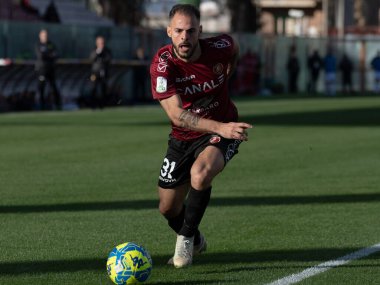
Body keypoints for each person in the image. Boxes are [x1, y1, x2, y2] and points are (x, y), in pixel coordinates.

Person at [150, 4, 252, 268]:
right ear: (169, 32)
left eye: (191, 31)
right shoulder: (163, 66)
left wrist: (230, 71)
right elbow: (175, 115)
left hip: (224, 128)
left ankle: (184, 241)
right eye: (179, 31)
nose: (185, 37)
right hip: (184, 135)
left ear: (200, 32)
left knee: (201, 172)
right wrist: (219, 127)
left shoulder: (220, 47)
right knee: (167, 208)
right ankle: (196, 239)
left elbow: (235, 47)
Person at [35, 29, 61, 110]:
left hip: (51, 69)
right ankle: (42, 106)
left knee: (54, 87)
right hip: (42, 69)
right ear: (40, 36)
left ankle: (58, 105)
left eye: (46, 35)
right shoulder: (38, 45)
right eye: (43, 35)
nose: (45, 37)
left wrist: (48, 55)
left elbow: (56, 54)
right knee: (41, 88)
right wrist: (50, 55)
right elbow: (41, 56)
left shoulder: (51, 44)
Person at [89, 35, 112, 108]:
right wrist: (97, 52)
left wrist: (102, 59)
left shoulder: (107, 50)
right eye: (100, 43)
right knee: (93, 88)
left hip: (103, 72)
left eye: (102, 42)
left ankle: (103, 105)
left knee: (103, 89)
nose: (102, 44)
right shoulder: (94, 50)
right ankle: (93, 105)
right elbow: (91, 59)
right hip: (95, 72)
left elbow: (108, 59)